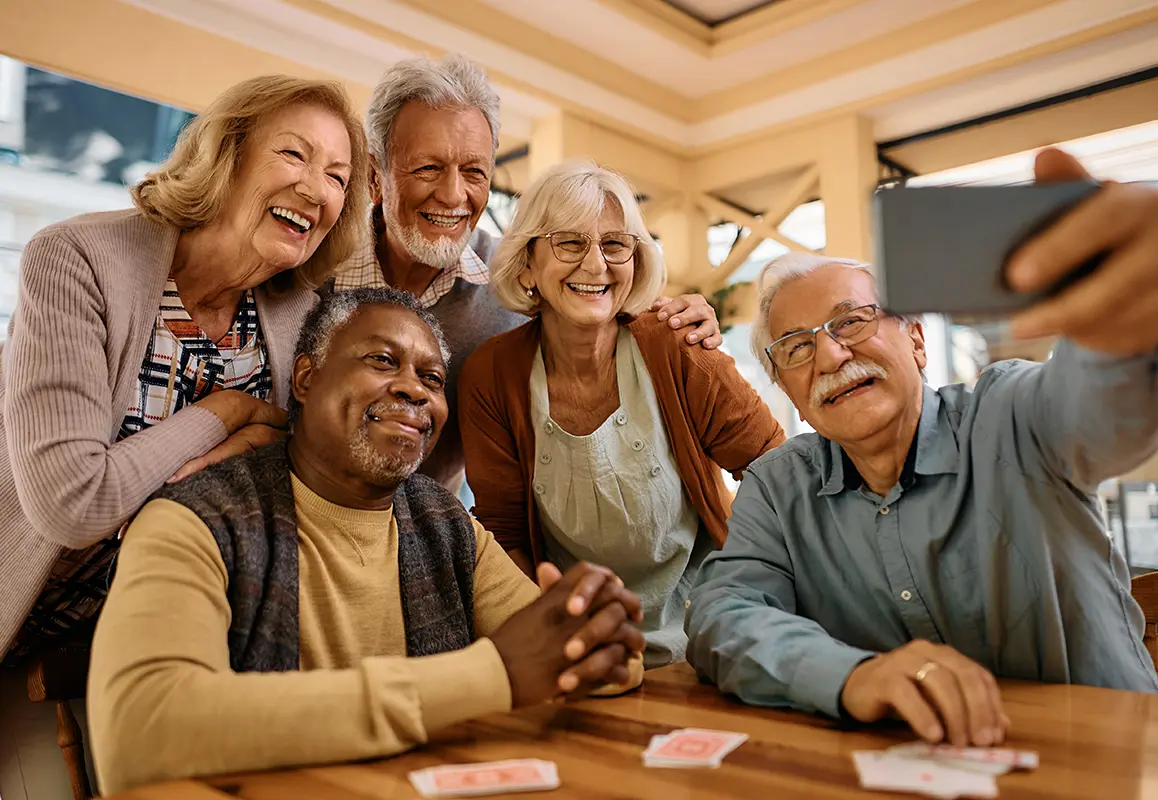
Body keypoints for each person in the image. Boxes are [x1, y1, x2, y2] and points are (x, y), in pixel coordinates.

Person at [685, 149, 1158, 749]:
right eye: (797, 348)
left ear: (918, 341)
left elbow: (1104, 412)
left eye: (851, 322)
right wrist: (852, 675)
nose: (830, 357)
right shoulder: (778, 486)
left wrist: (1129, 331)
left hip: (1095, 759)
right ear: (793, 397)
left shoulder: (1009, 416)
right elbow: (722, 614)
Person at [86, 287, 645, 795]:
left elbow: (573, 660)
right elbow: (144, 730)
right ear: (306, 379)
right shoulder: (195, 520)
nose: (413, 390)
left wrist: (598, 632)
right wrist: (490, 676)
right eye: (382, 360)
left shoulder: (445, 522)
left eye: (432, 379)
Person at [0, 75, 370, 667]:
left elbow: (304, 482)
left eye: (337, 176)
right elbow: (72, 503)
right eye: (294, 153)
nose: (315, 188)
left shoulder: (300, 317)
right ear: (229, 155)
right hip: (20, 621)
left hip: (158, 644)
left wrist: (265, 438)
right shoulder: (77, 259)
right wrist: (227, 413)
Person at [332, 54, 723, 491]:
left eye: (474, 172)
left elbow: (604, 301)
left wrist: (682, 319)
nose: (453, 194)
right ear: (373, 175)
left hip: (433, 529)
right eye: (428, 168)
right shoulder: (312, 270)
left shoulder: (521, 275)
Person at [459, 161, 784, 669]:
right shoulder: (491, 375)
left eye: (615, 245)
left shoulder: (678, 344)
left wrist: (740, 593)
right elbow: (505, 535)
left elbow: (776, 474)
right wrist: (554, 635)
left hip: (711, 638)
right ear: (526, 264)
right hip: (580, 646)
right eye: (569, 243)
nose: (596, 266)